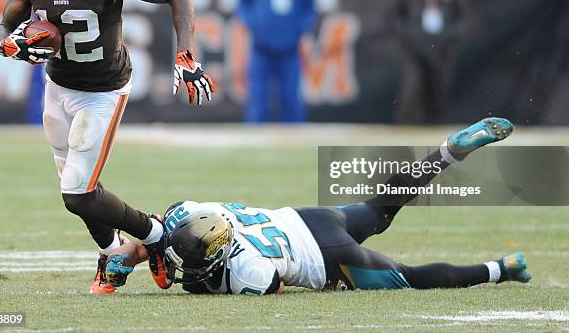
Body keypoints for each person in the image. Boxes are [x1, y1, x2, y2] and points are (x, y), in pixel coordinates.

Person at [0, 0, 215, 295]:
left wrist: (185, 55)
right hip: (57, 84)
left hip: (103, 88)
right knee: (82, 188)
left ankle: (154, 236)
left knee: (76, 194)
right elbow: (7, 22)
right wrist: (8, 42)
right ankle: (115, 251)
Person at [102, 117, 531, 294]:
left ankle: (501, 268)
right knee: (381, 207)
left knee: (410, 278)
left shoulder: (248, 272)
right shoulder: (196, 212)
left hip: (329, 258)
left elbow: (273, 286)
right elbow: (164, 232)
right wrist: (137, 251)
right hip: (309, 218)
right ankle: (447, 153)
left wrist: (195, 281)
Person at [386, 0, 470, 123]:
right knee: (412, 86)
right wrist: (408, 34)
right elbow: (392, 14)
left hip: (442, 44)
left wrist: (451, 35)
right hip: (413, 44)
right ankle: (405, 126)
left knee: (440, 86)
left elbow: (464, 14)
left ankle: (436, 126)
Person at [237, 0, 317, 123]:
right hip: (261, 45)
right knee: (258, 99)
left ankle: (294, 142)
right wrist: (253, 23)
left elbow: (310, 5)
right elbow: (241, 2)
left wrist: (301, 29)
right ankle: (255, 142)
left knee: (291, 97)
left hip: (290, 46)